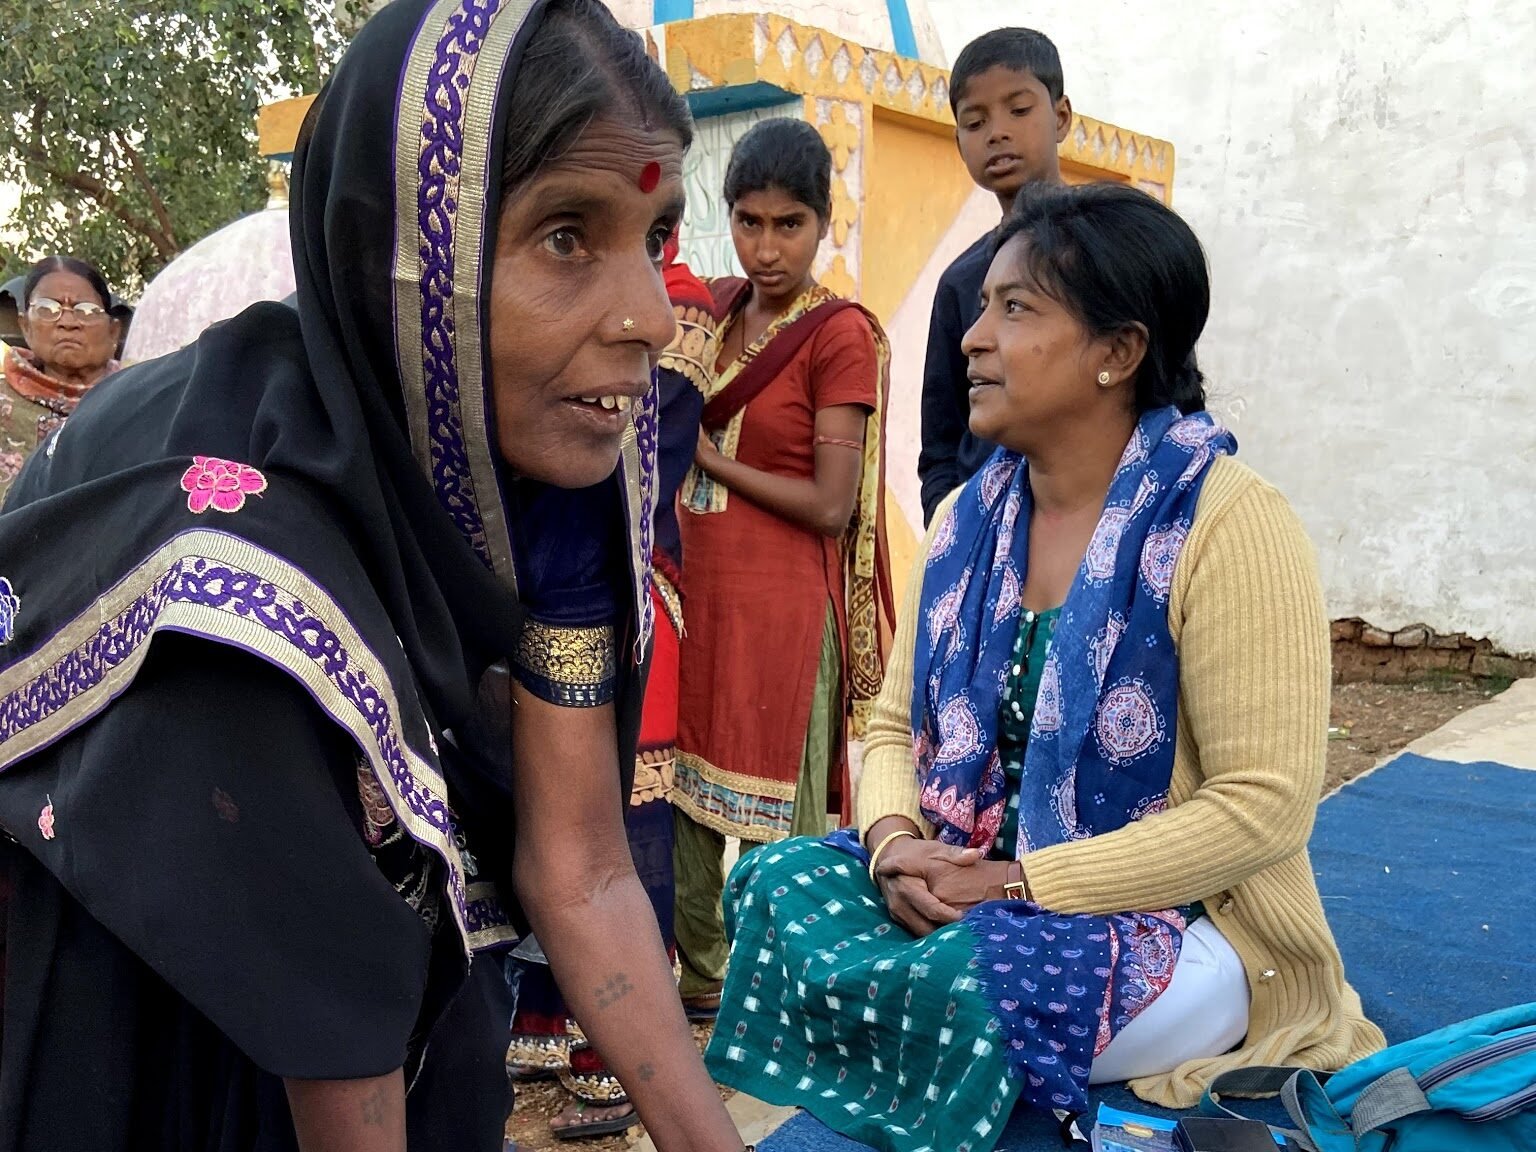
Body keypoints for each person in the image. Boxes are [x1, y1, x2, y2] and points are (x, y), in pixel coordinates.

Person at [0, 1, 754, 1149]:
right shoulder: (234, 551)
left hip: (390, 990)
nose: (651, 316)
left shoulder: (560, 473)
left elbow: (584, 872)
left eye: (654, 237)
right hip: (139, 1009)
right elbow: (327, 1018)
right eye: (567, 236)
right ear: (408, 255)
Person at [705, 183, 1385, 1152]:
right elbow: (892, 726)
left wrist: (1018, 884)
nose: (973, 338)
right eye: (983, 307)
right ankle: (922, 1011)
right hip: (967, 885)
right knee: (776, 880)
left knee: (979, 977)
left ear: (1119, 352)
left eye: (1015, 309)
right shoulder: (966, 522)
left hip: (1170, 928)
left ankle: (913, 1017)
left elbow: (1262, 806)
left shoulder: (1229, 523)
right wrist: (896, 847)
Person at [672, 117, 894, 1022]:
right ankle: (702, 974)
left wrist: (707, 458)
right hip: (698, 596)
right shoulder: (715, 312)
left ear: (824, 223)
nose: (767, 249)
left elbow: (831, 504)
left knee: (785, 813)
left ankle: (794, 986)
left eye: (790, 225)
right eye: (749, 222)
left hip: (786, 614)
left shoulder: (838, 336)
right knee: (683, 790)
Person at [506, 232, 714, 1142]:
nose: (646, 320)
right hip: (536, 579)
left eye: (652, 229)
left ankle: (609, 1055)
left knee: (621, 815)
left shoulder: (683, 306)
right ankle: (545, 1024)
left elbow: (642, 452)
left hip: (626, 580)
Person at [918, 28, 1072, 525]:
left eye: (1019, 110)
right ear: (959, 141)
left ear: (1062, 118)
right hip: (983, 531)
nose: (997, 133)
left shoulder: (1116, 251)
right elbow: (942, 443)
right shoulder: (961, 282)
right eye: (975, 122)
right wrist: (950, 530)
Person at [1, 256, 123, 505]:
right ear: (25, 326)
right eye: (48, 309)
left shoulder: (141, 397)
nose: (67, 323)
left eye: (85, 310)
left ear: (113, 331)